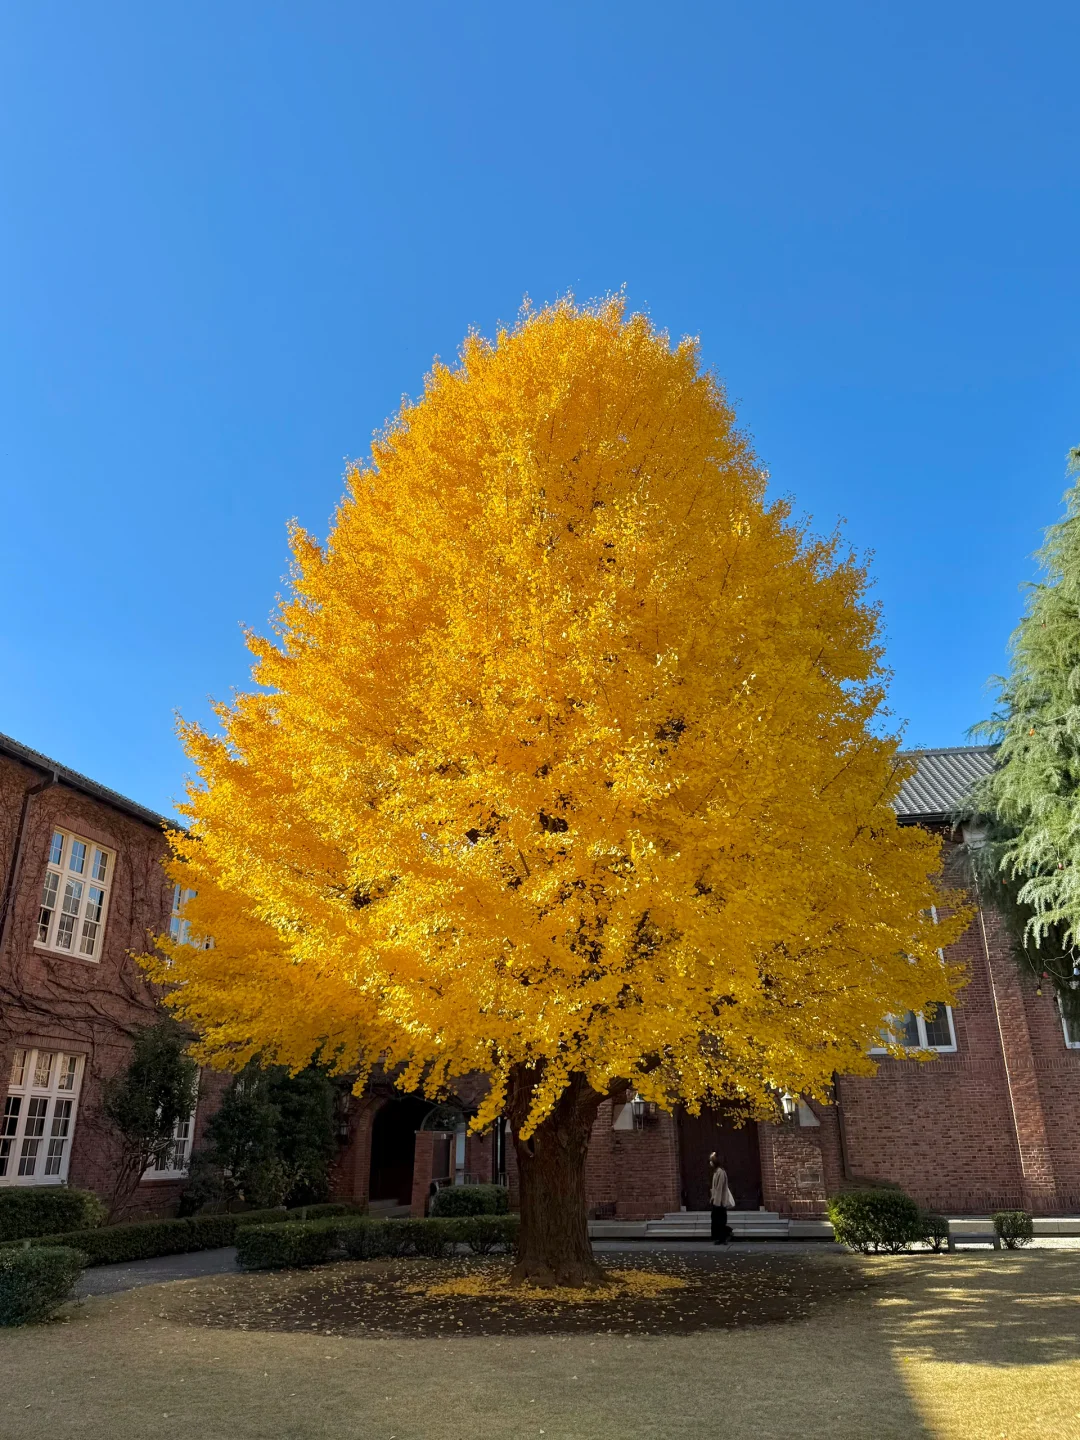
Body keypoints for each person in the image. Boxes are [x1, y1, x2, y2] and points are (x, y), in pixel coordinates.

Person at [709, 1151, 735, 1245]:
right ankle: (721, 1237)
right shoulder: (716, 1172)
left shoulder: (720, 1172)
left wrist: (717, 1201)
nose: (710, 1162)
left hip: (720, 1202)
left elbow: (719, 1188)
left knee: (719, 1220)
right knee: (717, 1220)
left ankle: (724, 1235)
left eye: (711, 1160)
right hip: (717, 1201)